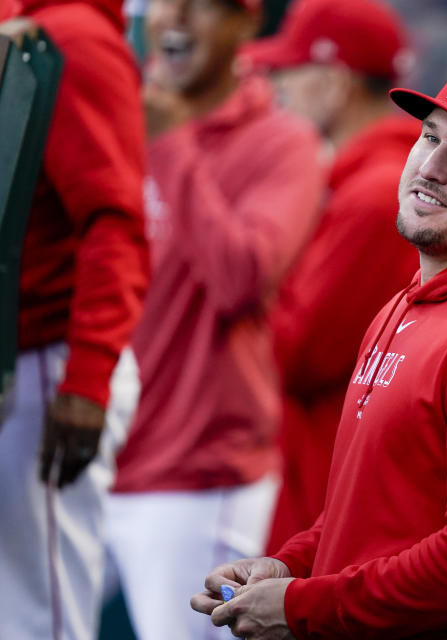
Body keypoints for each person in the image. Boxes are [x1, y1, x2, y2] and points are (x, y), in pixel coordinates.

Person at [190, 58, 447, 639]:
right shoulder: (414, 299)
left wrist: (305, 606)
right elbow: (372, 516)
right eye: (430, 136)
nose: (430, 168)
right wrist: (291, 567)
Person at [102, 0, 322, 637]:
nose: (179, 19)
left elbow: (242, 280)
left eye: (204, 6)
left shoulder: (282, 140)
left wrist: (168, 141)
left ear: (245, 24)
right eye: (168, 1)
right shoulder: (110, 110)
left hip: (195, 473)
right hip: (83, 453)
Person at [241, 0, 421, 553]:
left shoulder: (374, 193)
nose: (277, 88)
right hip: (325, 472)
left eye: (288, 71)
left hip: (336, 483)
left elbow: (297, 354)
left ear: (335, 81)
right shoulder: (354, 180)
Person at [0, 0, 150, 638]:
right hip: (23, 357)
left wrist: (86, 378)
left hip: (48, 362)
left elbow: (113, 221)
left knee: (41, 615)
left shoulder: (72, 37)